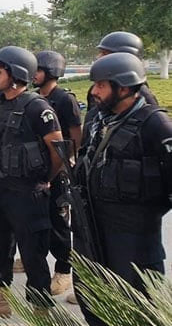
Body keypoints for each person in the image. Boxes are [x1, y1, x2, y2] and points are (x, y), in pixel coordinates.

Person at [74, 52, 172, 325]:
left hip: (135, 241)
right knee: (93, 302)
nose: (94, 92)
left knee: (137, 309)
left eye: (101, 85)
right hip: (93, 231)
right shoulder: (96, 120)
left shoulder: (155, 124)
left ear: (124, 87)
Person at [0, 46, 63, 318]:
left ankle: (40, 308)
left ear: (16, 74)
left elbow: (58, 150)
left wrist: (46, 179)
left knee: (33, 253)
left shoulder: (37, 107)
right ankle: (0, 297)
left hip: (27, 193)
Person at [33, 50, 82, 295]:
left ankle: (63, 270)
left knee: (59, 223)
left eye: (38, 70)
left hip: (59, 170)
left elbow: (75, 137)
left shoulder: (64, 99)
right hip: (38, 169)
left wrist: (64, 166)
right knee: (38, 220)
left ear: (51, 72)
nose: (34, 74)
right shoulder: (34, 98)